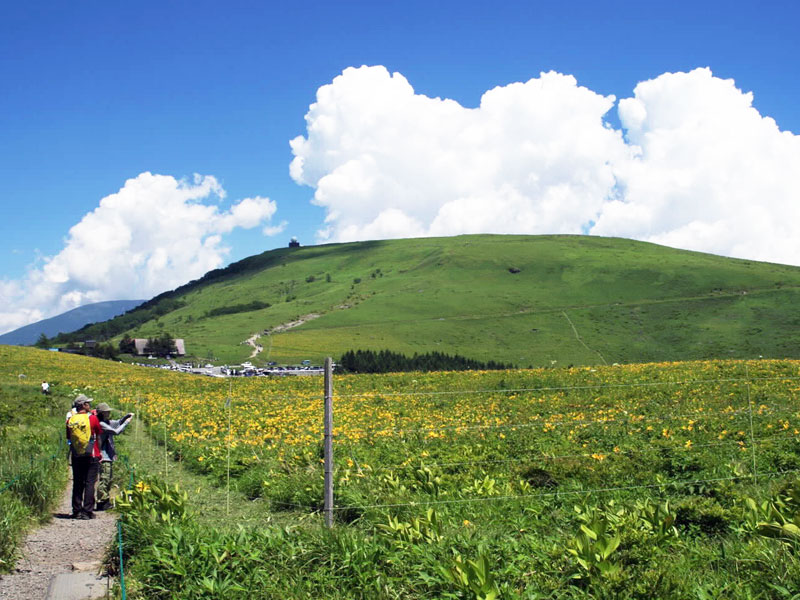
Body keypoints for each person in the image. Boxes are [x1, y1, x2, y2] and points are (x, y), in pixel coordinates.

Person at [66, 396, 102, 519]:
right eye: (87, 403)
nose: (89, 405)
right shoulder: (92, 418)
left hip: (76, 455)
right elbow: (98, 434)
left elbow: (69, 437)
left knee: (77, 482)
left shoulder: (70, 420)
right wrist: (99, 452)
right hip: (92, 454)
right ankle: (87, 511)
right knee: (90, 483)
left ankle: (76, 510)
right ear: (83, 405)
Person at [94, 402, 134, 511]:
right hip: (103, 456)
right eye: (107, 412)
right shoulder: (101, 424)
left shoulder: (106, 422)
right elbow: (116, 431)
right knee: (105, 478)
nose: (109, 413)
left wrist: (126, 417)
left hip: (108, 455)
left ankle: (105, 500)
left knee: (108, 478)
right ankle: (101, 501)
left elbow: (116, 423)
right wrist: (126, 423)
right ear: (102, 413)